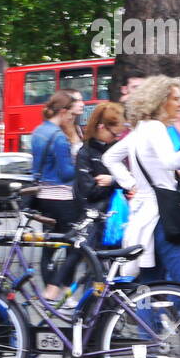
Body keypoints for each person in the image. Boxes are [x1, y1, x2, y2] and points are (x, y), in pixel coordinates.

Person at [103, 77, 180, 291]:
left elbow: (109, 158)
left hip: (144, 215)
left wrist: (131, 184)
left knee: (148, 285)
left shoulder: (140, 129)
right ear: (160, 101)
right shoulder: (156, 127)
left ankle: (148, 324)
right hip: (162, 216)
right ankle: (173, 318)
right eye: (175, 99)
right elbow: (170, 161)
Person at [29, 90, 81, 303]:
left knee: (48, 247)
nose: (71, 117)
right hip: (63, 198)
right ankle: (62, 292)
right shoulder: (59, 137)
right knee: (74, 245)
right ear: (62, 111)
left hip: (42, 196)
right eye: (70, 112)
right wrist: (80, 165)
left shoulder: (38, 132)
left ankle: (50, 292)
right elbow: (66, 173)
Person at [75, 102, 126, 248]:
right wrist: (116, 183)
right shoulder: (85, 153)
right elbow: (89, 191)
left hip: (117, 216)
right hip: (97, 218)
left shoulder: (116, 148)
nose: (117, 138)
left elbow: (130, 180)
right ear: (101, 127)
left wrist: (112, 181)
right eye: (114, 134)